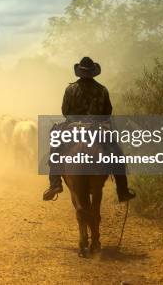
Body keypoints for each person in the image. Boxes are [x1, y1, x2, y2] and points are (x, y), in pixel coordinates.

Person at [42, 57, 136, 202]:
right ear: (94, 72)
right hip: (96, 129)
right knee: (116, 153)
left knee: (55, 146)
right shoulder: (102, 90)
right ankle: (122, 190)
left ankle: (55, 184)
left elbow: (65, 111)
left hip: (73, 128)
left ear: (79, 72)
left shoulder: (70, 89)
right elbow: (107, 112)